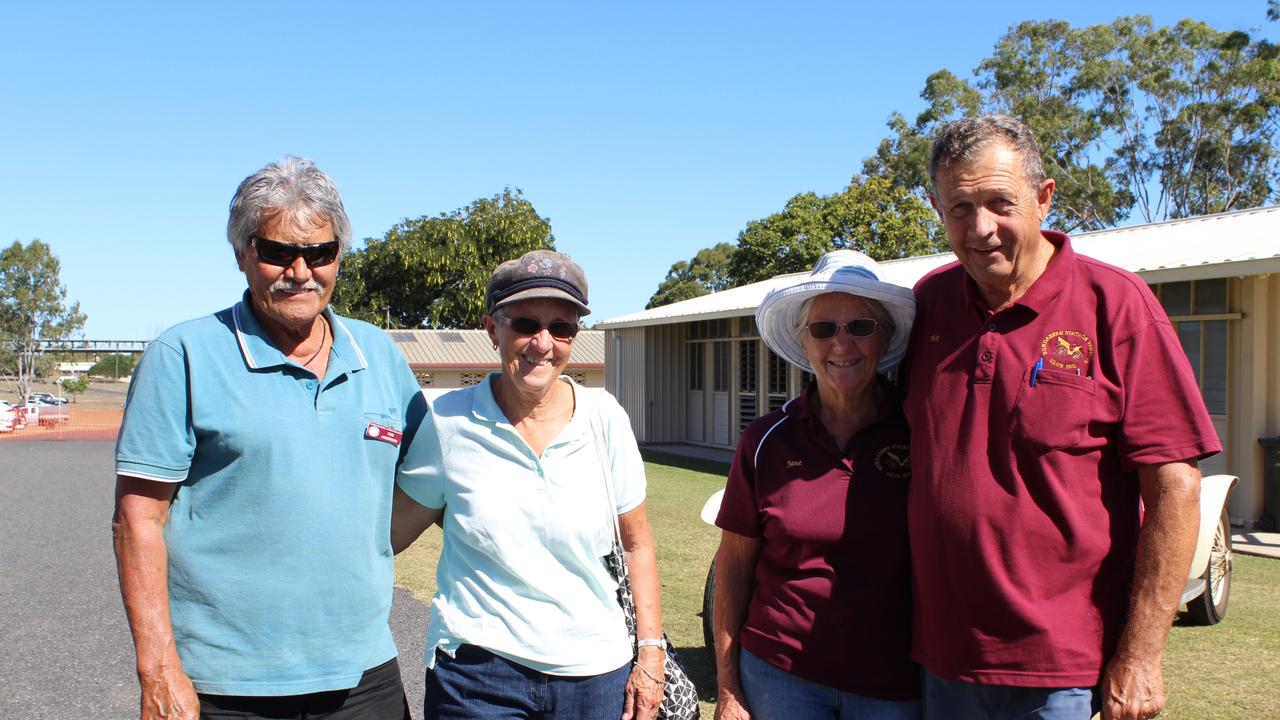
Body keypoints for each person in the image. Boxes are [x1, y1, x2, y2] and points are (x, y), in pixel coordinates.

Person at [904, 115, 1222, 720]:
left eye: (1001, 203)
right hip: (939, 661)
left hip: (1065, 673)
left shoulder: (1115, 304)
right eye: (959, 207)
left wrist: (1142, 655)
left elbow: (1176, 485)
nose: (981, 229)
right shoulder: (927, 305)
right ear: (936, 208)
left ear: (1044, 197)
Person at [112, 156, 425, 720]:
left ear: (338, 256)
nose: (300, 271)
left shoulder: (378, 355)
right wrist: (158, 669)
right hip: (223, 684)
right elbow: (138, 520)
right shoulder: (182, 356)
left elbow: (435, 478)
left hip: (363, 673)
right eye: (278, 252)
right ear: (241, 254)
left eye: (320, 253)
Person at [391, 249, 666, 720]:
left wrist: (651, 654)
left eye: (562, 328)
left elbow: (637, 545)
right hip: (477, 675)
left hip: (596, 675)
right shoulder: (447, 422)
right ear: (492, 328)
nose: (543, 343)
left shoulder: (605, 419)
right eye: (525, 324)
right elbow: (389, 536)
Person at [712, 249, 921, 720]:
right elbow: (733, 569)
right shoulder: (765, 439)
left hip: (893, 683)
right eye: (824, 329)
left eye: (861, 327)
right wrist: (728, 689)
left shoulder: (922, 431)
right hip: (780, 676)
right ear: (805, 344)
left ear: (885, 337)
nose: (842, 344)